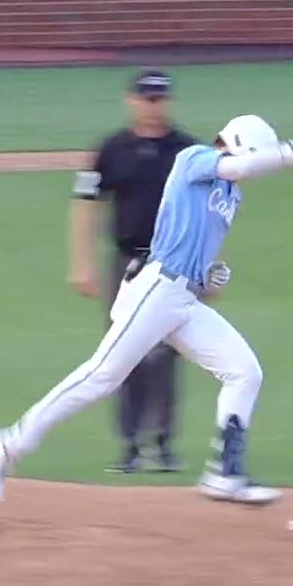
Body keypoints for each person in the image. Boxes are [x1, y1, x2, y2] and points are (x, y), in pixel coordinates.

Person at [0, 115, 293, 506]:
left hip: (184, 300)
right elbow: (241, 165)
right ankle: (7, 443)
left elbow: (199, 248)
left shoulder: (232, 194)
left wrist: (210, 276)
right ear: (235, 145)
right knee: (102, 377)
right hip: (155, 290)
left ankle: (224, 473)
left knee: (244, 371)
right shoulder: (194, 158)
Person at [69, 69, 197, 474]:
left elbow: (210, 212)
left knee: (168, 354)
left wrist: (206, 266)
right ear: (132, 100)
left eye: (159, 99)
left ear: (169, 102)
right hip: (125, 265)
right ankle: (129, 447)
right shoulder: (109, 150)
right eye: (146, 98)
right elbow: (86, 203)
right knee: (122, 355)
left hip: (175, 265)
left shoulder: (188, 152)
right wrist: (82, 262)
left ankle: (163, 444)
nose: (152, 105)